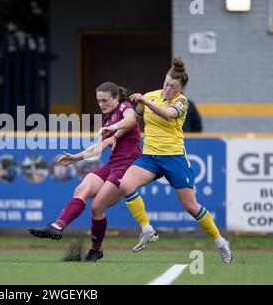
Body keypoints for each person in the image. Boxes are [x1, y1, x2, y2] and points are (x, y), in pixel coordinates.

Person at [101, 57, 233, 263]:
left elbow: (169, 115)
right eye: (166, 83)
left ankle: (221, 242)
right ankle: (147, 230)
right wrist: (115, 133)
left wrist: (145, 102)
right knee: (126, 185)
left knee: (191, 206)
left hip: (173, 158)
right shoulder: (151, 96)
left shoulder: (181, 101)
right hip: (151, 157)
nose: (167, 88)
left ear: (181, 88)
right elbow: (132, 120)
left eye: (173, 86)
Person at [28, 82, 143, 262]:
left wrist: (112, 130)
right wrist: (75, 158)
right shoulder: (107, 120)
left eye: (105, 100)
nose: (101, 104)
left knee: (97, 207)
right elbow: (97, 149)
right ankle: (57, 226)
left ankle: (96, 249)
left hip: (128, 168)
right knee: (81, 190)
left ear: (116, 98)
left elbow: (131, 120)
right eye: (98, 101)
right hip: (112, 165)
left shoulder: (124, 107)